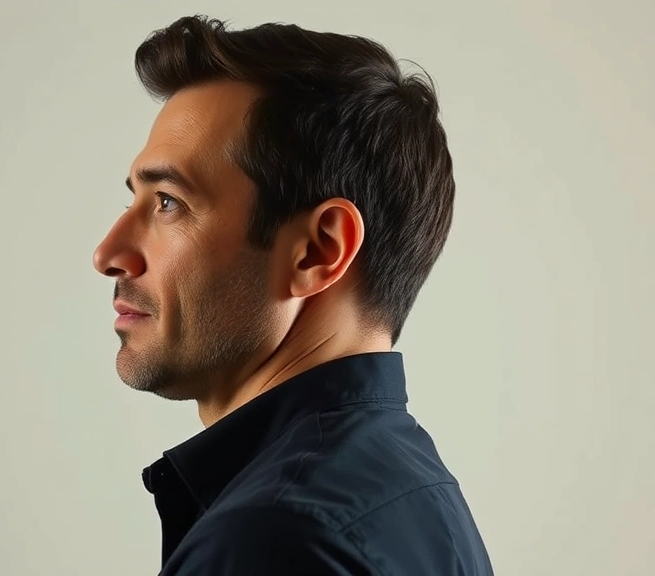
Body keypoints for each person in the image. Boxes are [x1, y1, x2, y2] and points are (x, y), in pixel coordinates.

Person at [92, 14, 493, 576]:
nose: (108, 253)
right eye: (134, 199)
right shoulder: (415, 494)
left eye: (168, 203)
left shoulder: (267, 539)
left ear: (319, 251)